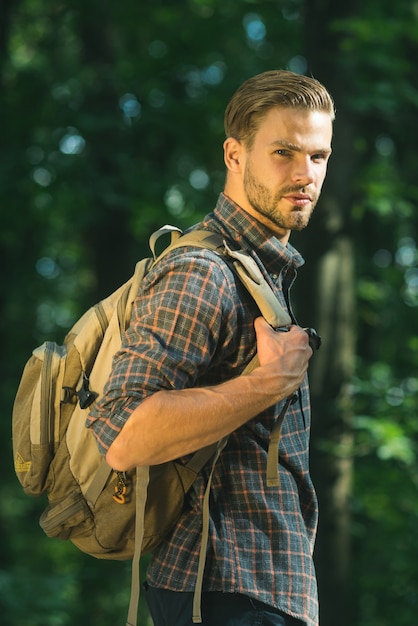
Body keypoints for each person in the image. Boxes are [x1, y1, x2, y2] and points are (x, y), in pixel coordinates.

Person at [87, 69, 334, 626]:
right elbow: (123, 435)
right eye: (283, 152)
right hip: (222, 594)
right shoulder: (203, 271)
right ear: (235, 154)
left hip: (259, 593)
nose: (304, 174)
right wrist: (267, 384)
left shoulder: (259, 277)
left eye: (318, 157)